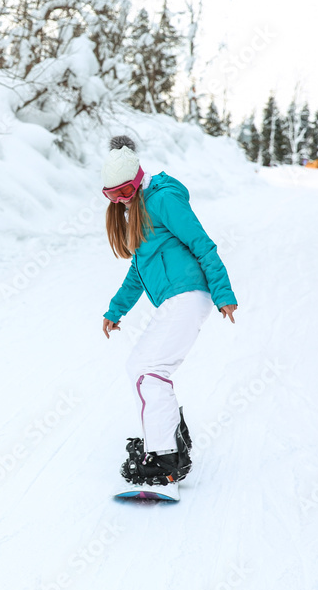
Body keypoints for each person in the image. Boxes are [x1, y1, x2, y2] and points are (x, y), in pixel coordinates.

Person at [100, 135, 238, 486]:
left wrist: (223, 292)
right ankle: (168, 438)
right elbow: (138, 269)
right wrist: (116, 310)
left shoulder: (163, 200)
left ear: (138, 180)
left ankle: (166, 458)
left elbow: (201, 243)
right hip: (176, 299)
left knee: (149, 369)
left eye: (125, 192)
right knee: (139, 367)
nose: (120, 200)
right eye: (111, 195)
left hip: (189, 294)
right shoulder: (138, 209)